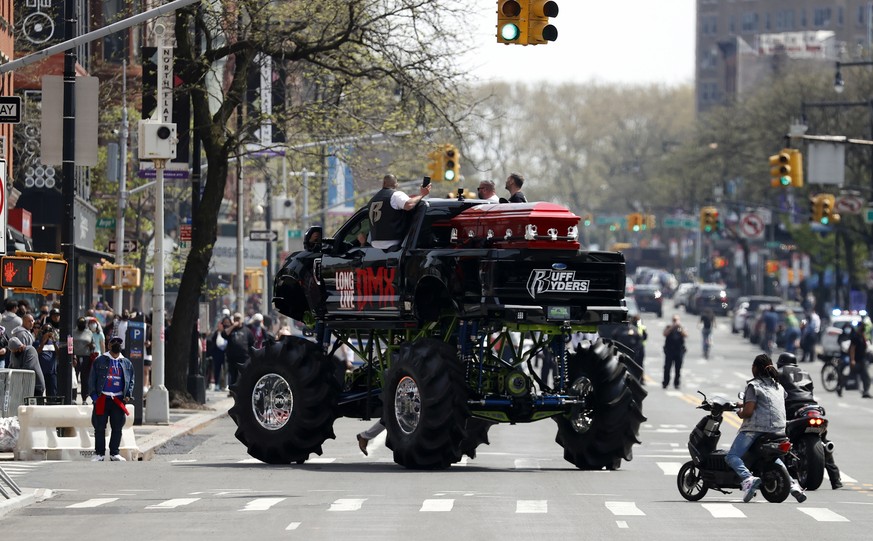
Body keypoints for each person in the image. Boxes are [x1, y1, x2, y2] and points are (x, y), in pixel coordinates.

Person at [726, 353, 806, 503]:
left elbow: (749, 412)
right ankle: (793, 484)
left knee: (732, 456)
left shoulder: (753, 385)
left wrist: (739, 411)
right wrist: (741, 403)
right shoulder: (778, 386)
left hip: (757, 429)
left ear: (755, 368)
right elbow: (767, 403)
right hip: (779, 429)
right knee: (774, 458)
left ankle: (748, 479)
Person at [776, 352, 843, 490]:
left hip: (790, 407)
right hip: (811, 407)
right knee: (824, 441)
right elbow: (809, 390)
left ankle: (776, 474)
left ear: (780, 363)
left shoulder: (779, 372)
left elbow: (774, 392)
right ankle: (835, 480)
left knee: (777, 436)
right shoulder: (804, 372)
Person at [88, 336, 134, 462]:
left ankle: (115, 453)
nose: (117, 344)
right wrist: (95, 397)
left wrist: (128, 395)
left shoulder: (126, 362)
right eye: (114, 342)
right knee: (99, 427)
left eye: (119, 342)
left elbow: (131, 380)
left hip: (118, 399)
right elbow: (92, 380)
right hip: (102, 398)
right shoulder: (100, 360)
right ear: (108, 346)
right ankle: (99, 454)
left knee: (117, 427)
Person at [367, 174, 430, 249]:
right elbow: (409, 204)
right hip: (393, 243)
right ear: (396, 185)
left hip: (374, 245)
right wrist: (422, 194)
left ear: (383, 183)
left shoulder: (372, 200)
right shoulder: (396, 195)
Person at [221, 312, 254, 394]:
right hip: (232, 358)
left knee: (243, 375)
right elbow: (224, 334)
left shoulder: (247, 330)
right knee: (233, 375)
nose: (237, 321)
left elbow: (252, 343)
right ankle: (232, 392)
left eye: (239, 319)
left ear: (242, 320)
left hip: (244, 357)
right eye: (236, 319)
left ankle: (243, 391)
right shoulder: (231, 329)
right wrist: (233, 326)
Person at [847, 320, 872, 398]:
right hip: (857, 360)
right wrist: (852, 360)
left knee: (865, 377)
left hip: (863, 360)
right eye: (862, 327)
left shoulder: (862, 336)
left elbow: (866, 346)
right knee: (855, 375)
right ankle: (840, 385)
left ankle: (865, 392)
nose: (863, 328)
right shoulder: (855, 337)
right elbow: (852, 349)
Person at [662, 315, 687, 389]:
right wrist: (672, 327)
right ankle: (665, 382)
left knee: (678, 368)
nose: (675, 321)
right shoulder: (669, 327)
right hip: (669, 351)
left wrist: (680, 327)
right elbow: (665, 334)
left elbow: (685, 334)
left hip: (679, 351)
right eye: (674, 320)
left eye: (677, 320)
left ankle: (676, 383)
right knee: (667, 367)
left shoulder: (681, 328)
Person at [35, 323, 59, 397]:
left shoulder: (54, 343)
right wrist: (43, 342)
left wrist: (54, 341)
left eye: (49, 330)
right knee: (39, 392)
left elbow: (59, 354)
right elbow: (37, 352)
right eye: (45, 330)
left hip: (52, 373)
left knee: (52, 394)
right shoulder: (37, 342)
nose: (47, 332)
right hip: (40, 372)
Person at [208, 317, 229, 391]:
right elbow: (213, 340)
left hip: (226, 353)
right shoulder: (217, 332)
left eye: (227, 322)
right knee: (217, 369)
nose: (226, 324)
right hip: (217, 353)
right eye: (225, 322)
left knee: (226, 369)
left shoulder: (229, 331)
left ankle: (226, 385)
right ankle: (217, 384)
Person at [632, 314, 648, 383]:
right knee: (634, 363)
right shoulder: (631, 327)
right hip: (634, 347)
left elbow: (645, 337)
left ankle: (641, 379)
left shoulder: (641, 327)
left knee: (640, 364)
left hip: (640, 348)